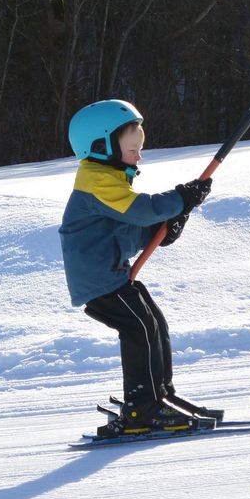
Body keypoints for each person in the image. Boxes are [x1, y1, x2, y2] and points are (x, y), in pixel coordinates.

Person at [59, 99, 215, 437]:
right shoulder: (96, 180)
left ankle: (160, 394)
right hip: (97, 278)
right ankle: (141, 407)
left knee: (153, 322)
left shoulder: (108, 179)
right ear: (102, 146)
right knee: (139, 328)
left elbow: (129, 227)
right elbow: (142, 210)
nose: (139, 156)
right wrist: (181, 198)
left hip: (110, 273)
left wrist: (163, 231)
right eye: (133, 149)